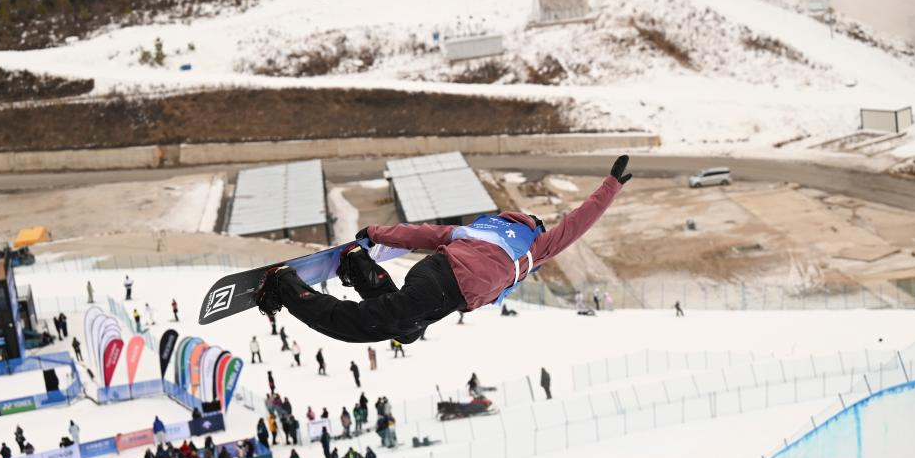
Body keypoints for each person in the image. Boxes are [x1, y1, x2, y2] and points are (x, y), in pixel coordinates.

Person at [253, 158, 632, 343]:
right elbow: (577, 222)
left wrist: (377, 233)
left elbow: (424, 234)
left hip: (434, 278)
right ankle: (285, 285)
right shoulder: (535, 247)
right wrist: (610, 187)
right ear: (535, 229)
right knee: (361, 325)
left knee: (407, 330)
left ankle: (358, 265)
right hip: (446, 289)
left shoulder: (482, 227)